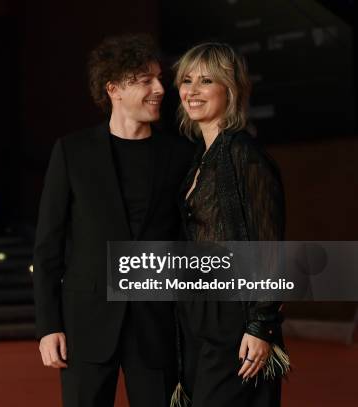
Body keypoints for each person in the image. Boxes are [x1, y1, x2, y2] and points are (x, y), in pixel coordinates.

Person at [33, 33, 193, 407]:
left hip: (157, 325)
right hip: (85, 324)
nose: (159, 89)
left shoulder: (181, 154)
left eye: (158, 79)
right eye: (144, 80)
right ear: (113, 89)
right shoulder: (72, 152)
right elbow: (48, 247)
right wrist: (48, 326)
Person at [172, 42, 290, 407]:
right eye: (186, 80)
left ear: (231, 89)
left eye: (206, 80)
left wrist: (261, 326)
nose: (192, 91)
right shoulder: (200, 160)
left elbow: (268, 246)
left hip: (234, 318)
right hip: (197, 317)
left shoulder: (244, 156)